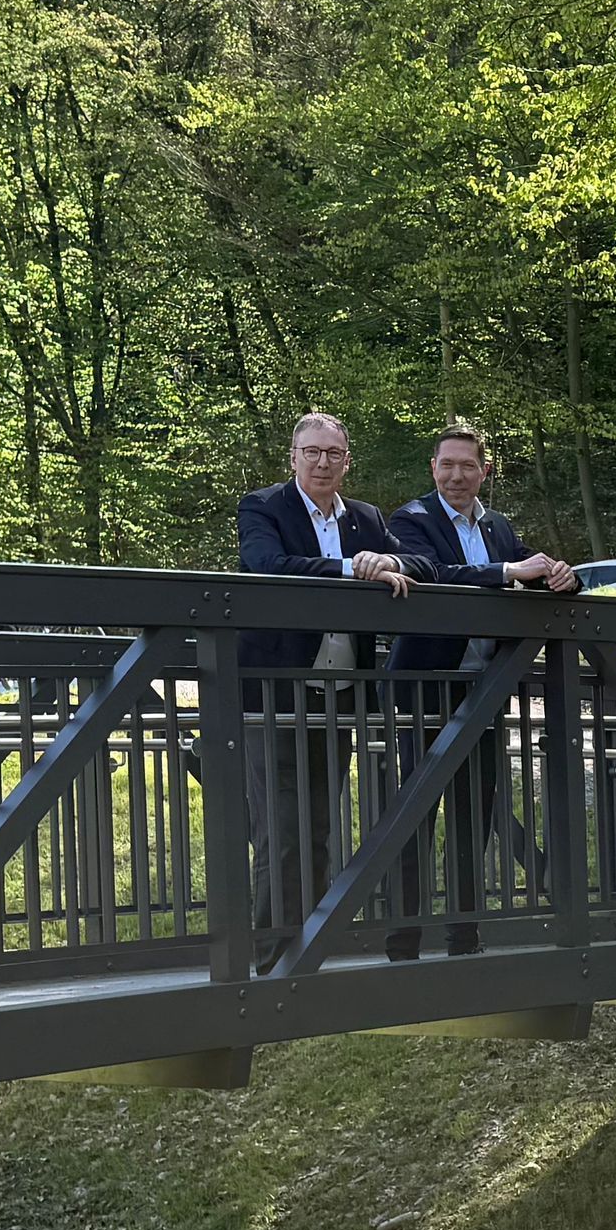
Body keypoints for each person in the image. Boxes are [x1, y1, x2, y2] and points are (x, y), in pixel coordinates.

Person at [383, 423, 577, 954]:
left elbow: (533, 569)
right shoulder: (411, 518)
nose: (456, 475)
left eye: (468, 466)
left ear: (485, 472)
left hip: (483, 689)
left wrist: (562, 576)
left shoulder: (496, 525)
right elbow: (435, 574)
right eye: (447, 464)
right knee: (414, 814)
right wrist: (512, 570)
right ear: (433, 468)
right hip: (424, 688)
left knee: (475, 814)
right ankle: (403, 938)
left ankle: (463, 935)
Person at [235, 411, 409, 959]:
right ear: (293, 456)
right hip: (275, 691)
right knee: (280, 830)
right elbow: (264, 564)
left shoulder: (365, 518)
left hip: (339, 693)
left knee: (318, 827)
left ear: (346, 460)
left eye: (333, 454)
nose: (322, 463)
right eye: (312, 452)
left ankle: (306, 943)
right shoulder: (264, 506)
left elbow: (408, 563)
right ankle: (269, 953)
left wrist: (390, 561)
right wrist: (351, 570)